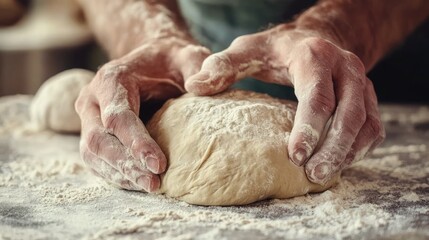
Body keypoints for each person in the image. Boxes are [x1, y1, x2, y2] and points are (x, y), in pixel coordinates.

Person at [74, 0, 429, 192]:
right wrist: (151, 38)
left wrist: (335, 27)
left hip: (383, 67)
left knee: (333, 129)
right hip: (198, 50)